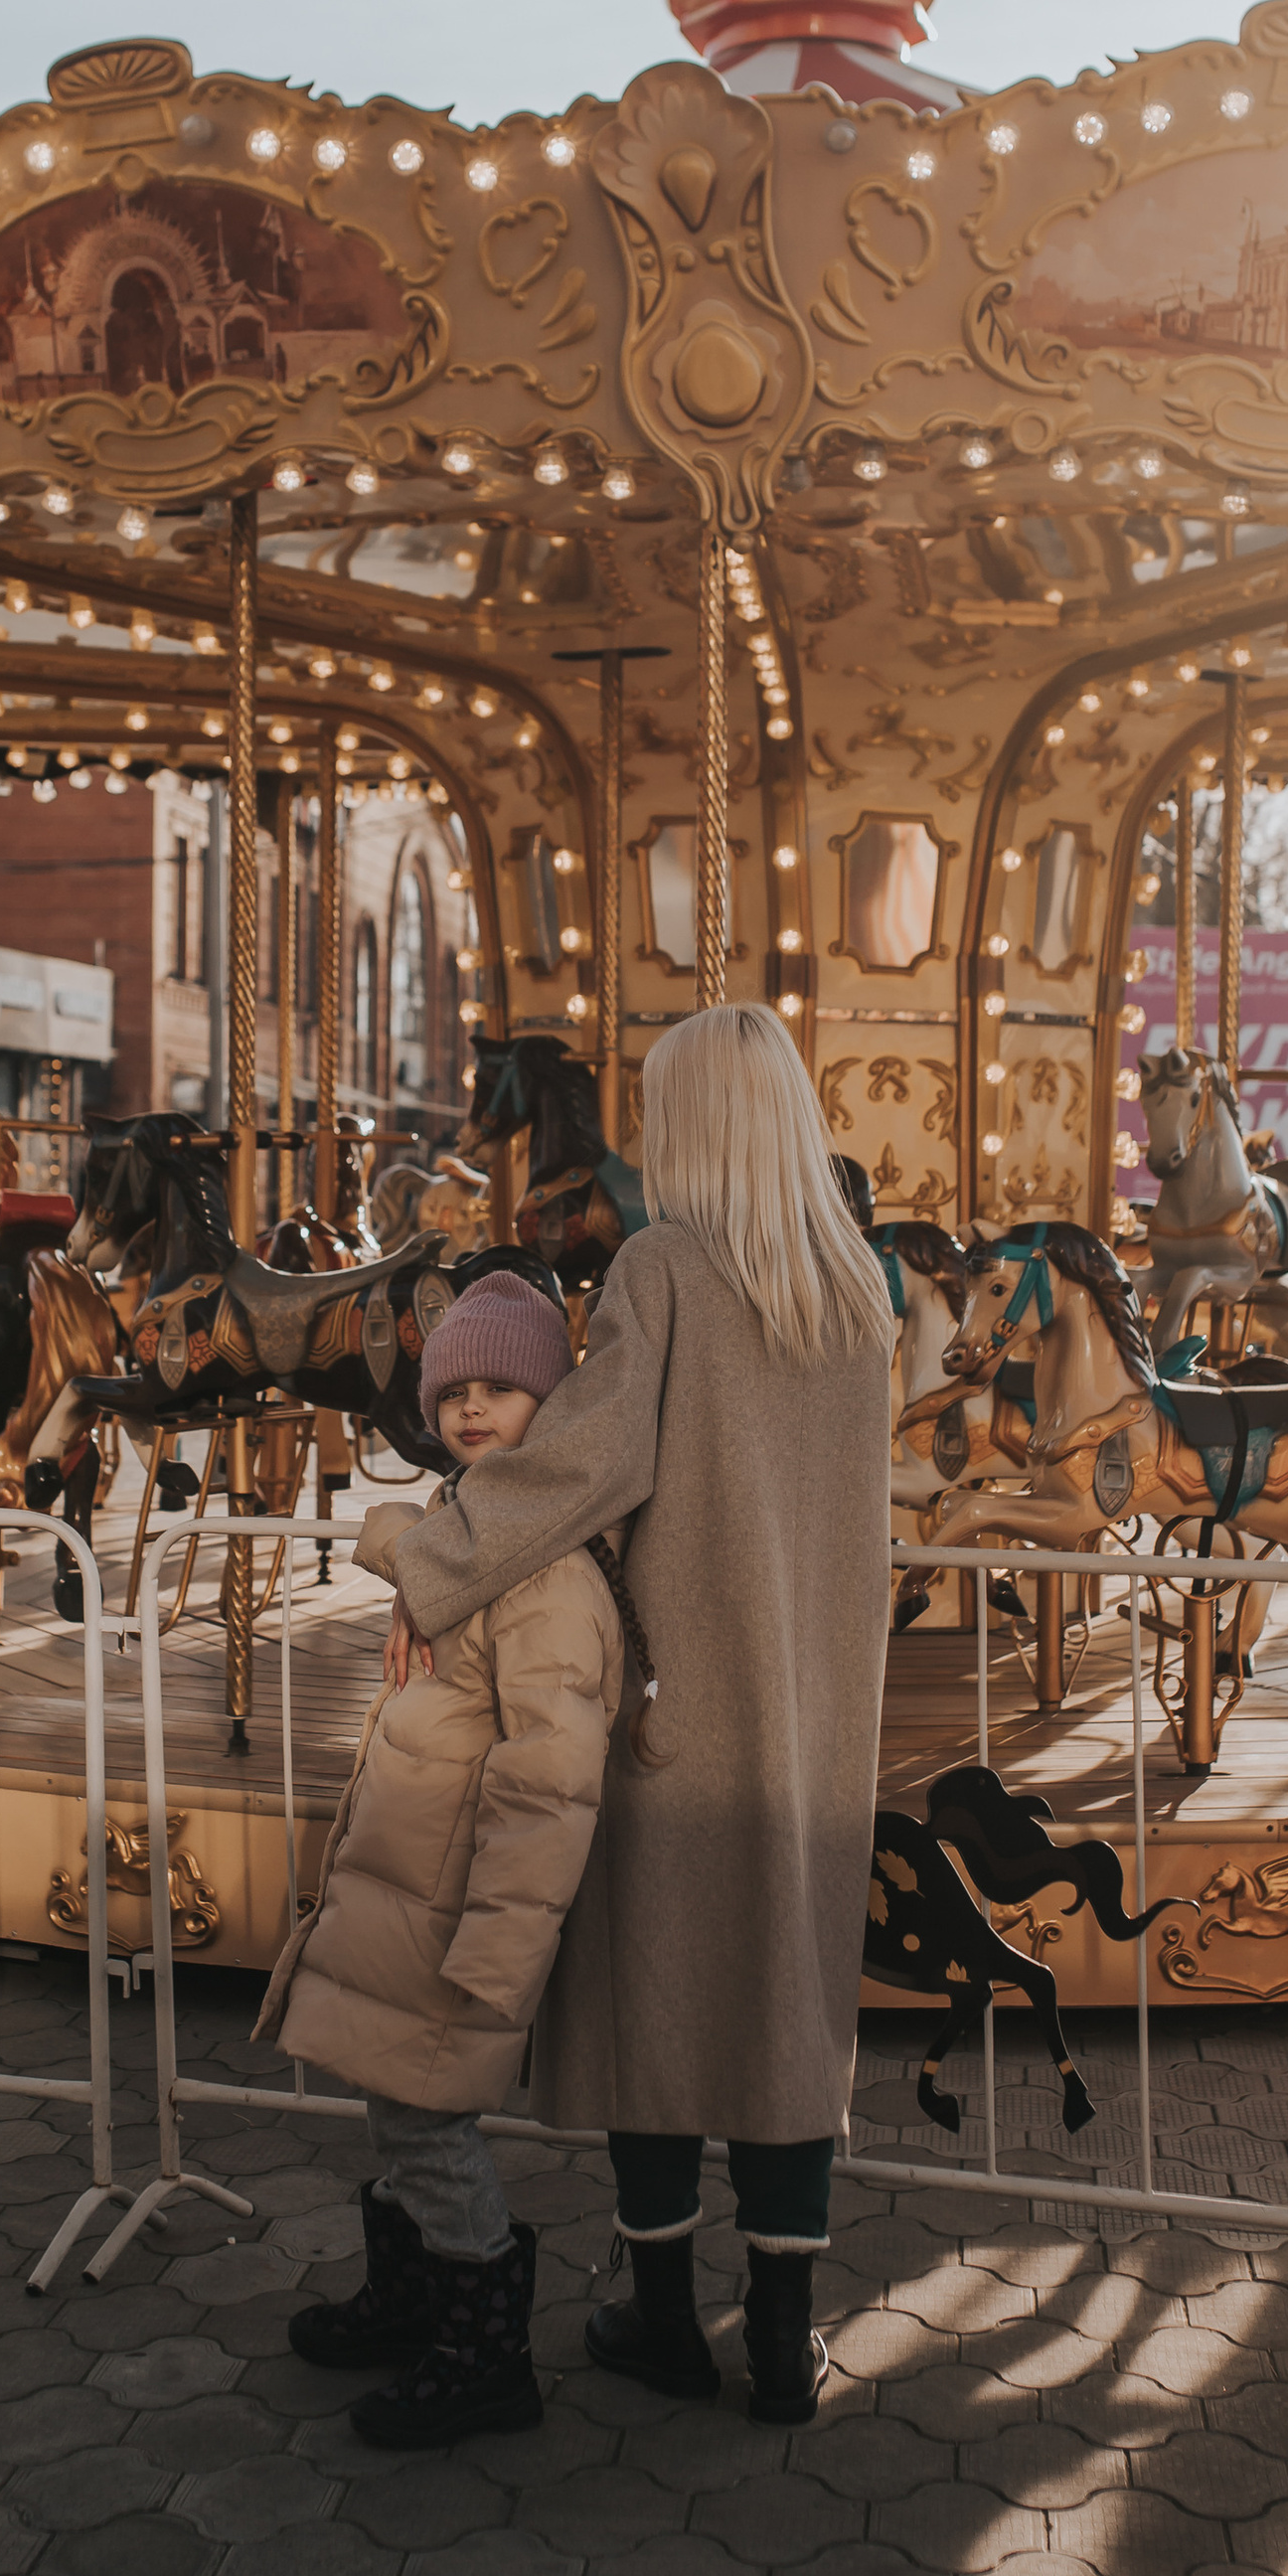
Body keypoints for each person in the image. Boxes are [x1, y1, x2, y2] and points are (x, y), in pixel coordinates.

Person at [378, 1002, 893, 2423]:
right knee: (789, 2010)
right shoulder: (857, 1289)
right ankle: (784, 2343)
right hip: (819, 1715)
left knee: (657, 2007)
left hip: (677, 1711)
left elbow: (586, 1468)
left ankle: (663, 2319)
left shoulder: (666, 1270)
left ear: (698, 1128)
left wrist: (433, 1564)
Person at [255, 1270, 632, 2450]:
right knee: (393, 2102)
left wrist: (505, 1945)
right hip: (408, 1885)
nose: (473, 1410)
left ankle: (484, 2347)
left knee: (427, 2122)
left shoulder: (545, 1576)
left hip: (458, 1909)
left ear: (552, 1410)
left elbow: (549, 1781)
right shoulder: (459, 1544)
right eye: (454, 1389)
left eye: (504, 1390)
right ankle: (413, 2294)